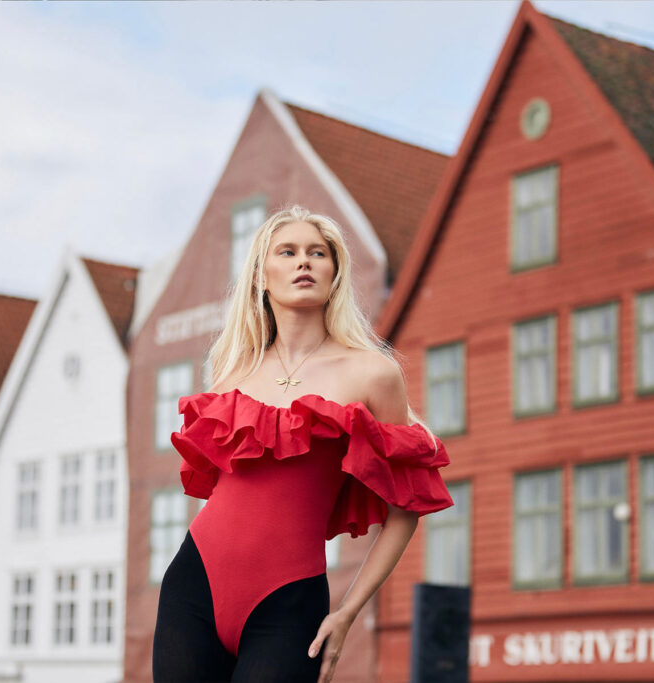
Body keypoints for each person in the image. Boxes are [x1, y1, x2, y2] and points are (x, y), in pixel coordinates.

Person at [152, 205, 454, 683]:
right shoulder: (232, 371)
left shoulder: (373, 373)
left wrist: (348, 611)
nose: (304, 262)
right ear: (261, 275)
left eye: (319, 253)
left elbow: (407, 507)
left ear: (335, 274)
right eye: (287, 252)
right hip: (193, 587)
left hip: (289, 603)